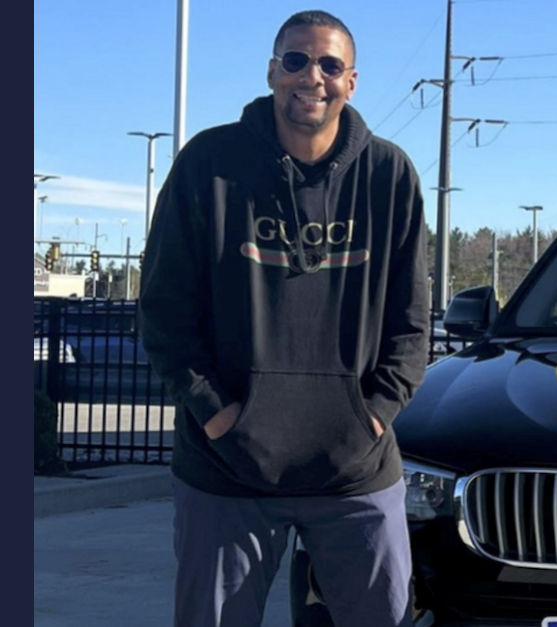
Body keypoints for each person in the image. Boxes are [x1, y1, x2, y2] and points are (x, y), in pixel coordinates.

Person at [138, 10, 429, 627]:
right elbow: (164, 311)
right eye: (295, 60)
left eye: (329, 65)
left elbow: (411, 323)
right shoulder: (207, 164)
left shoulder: (389, 174)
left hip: (356, 470)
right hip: (226, 472)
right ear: (273, 71)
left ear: (351, 81)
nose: (311, 77)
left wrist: (372, 416)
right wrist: (218, 416)